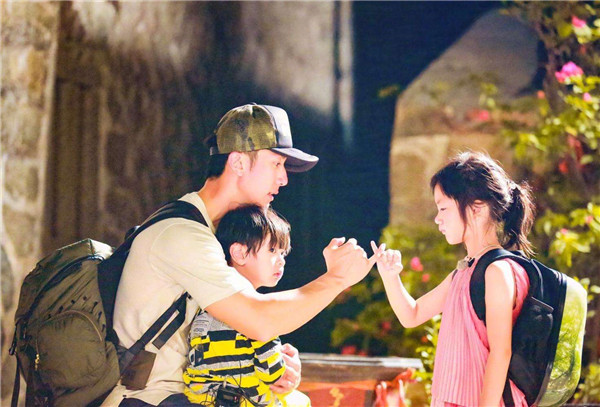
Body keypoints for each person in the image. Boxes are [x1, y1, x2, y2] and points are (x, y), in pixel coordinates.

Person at [102, 103, 376, 406]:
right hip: (149, 399)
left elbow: (242, 331)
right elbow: (258, 319)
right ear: (239, 163)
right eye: (276, 163)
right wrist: (336, 279)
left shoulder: (214, 233)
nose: (284, 179)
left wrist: (275, 366)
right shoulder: (182, 235)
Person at [372, 152, 535, 407]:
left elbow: (501, 353)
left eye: (443, 208)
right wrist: (390, 276)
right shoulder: (465, 272)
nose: (438, 218)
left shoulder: (497, 272)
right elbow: (412, 315)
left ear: (476, 209)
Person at [184, 204, 309, 407]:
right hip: (243, 401)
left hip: (200, 400)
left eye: (283, 253)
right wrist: (283, 362)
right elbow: (272, 373)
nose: (281, 261)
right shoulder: (254, 313)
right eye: (272, 250)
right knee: (300, 402)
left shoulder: (209, 304)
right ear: (239, 253)